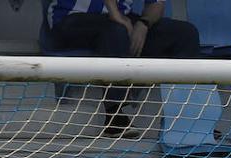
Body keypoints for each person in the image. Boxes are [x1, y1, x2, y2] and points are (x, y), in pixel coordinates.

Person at [44, 1, 200, 135]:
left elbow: (156, 4)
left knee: (185, 33)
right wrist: (116, 14)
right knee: (116, 30)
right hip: (70, 19)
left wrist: (143, 23)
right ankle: (114, 115)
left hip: (119, 22)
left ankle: (187, 118)